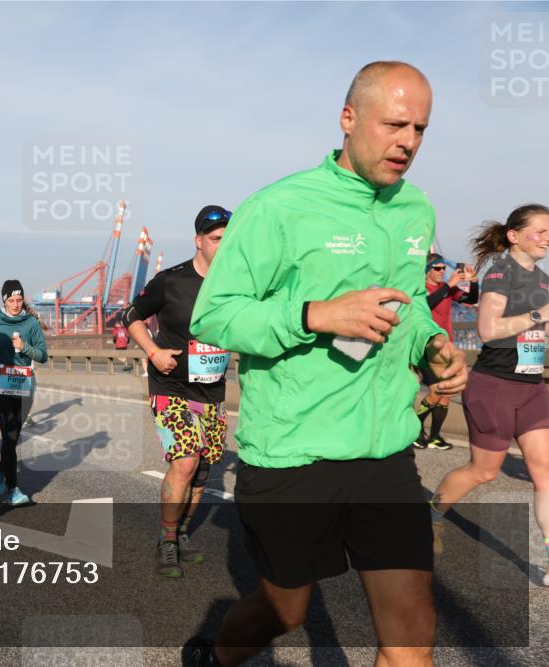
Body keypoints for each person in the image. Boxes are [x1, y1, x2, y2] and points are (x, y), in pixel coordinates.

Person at [186, 62, 468, 666]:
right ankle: (214, 657)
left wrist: (431, 345)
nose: (408, 142)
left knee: (411, 642)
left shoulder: (415, 208)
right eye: (394, 124)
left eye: (420, 128)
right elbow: (214, 315)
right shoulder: (279, 206)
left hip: (384, 451)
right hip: (295, 453)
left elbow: (410, 302)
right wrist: (316, 314)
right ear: (348, 118)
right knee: (284, 613)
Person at [430, 204, 549, 586]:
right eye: (540, 231)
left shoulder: (543, 279)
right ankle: (431, 515)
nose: (547, 238)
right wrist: (540, 315)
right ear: (514, 236)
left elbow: (538, 331)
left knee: (545, 474)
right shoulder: (500, 273)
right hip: (495, 386)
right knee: (483, 471)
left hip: (532, 386)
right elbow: (488, 330)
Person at [121, 205, 231, 578]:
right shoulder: (170, 281)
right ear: (198, 241)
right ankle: (166, 540)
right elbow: (131, 316)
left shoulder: (236, 284)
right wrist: (153, 352)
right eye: (216, 239)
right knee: (185, 461)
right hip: (171, 387)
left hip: (212, 391)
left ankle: (182, 533)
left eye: (228, 239)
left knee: (201, 472)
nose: (223, 245)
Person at [0, 280, 48, 506]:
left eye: (19, 300)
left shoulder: (31, 323)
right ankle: (14, 489)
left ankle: (1, 469)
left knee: (13, 437)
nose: (16, 304)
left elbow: (43, 355)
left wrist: (24, 347)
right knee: (9, 435)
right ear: (4, 300)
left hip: (23, 384)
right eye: (11, 300)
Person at [413, 254, 478, 450]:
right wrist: (449, 285)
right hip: (428, 348)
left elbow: (471, 299)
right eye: (437, 268)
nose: (442, 271)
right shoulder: (420, 288)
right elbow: (426, 305)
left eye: (443, 268)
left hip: (448, 347)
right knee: (436, 391)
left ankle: (434, 436)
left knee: (446, 394)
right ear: (427, 270)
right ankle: (414, 429)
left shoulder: (446, 289)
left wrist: (474, 282)